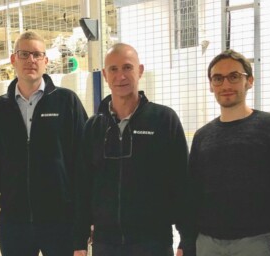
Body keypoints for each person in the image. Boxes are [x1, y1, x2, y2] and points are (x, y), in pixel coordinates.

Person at [73, 43, 193, 256]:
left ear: (140, 70)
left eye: (127, 67)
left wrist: (187, 238)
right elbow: (82, 186)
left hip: (153, 242)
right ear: (105, 75)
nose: (121, 76)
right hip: (105, 244)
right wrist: (79, 239)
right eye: (113, 69)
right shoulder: (93, 127)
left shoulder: (164, 120)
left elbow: (182, 181)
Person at [0, 31, 88, 256]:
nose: (31, 60)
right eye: (24, 54)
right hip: (14, 223)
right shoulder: (0, 108)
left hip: (60, 222)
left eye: (37, 55)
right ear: (13, 59)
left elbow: (83, 164)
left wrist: (84, 222)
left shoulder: (67, 102)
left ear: (46, 61)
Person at [187, 49, 270, 256]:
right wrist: (189, 242)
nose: (225, 85)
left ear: (249, 81)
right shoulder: (202, 136)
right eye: (218, 78)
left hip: (257, 242)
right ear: (211, 85)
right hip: (207, 243)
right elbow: (192, 194)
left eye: (234, 76)